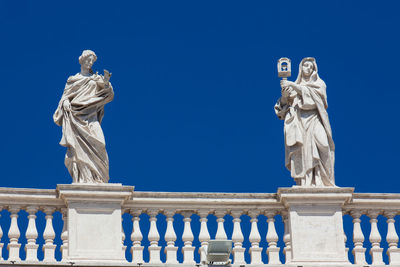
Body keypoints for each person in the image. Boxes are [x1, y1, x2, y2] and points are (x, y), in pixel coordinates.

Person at [53, 50, 114, 183]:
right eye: (88, 59)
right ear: (82, 60)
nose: (90, 62)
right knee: (78, 149)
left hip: (91, 116)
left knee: (100, 143)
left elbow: (108, 93)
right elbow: (64, 97)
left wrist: (106, 82)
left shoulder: (95, 78)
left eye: (92, 61)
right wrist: (66, 102)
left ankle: (98, 177)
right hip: (76, 117)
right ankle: (84, 178)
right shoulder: (73, 80)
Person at [274, 57, 335, 187]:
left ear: (314, 69)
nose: (307, 68)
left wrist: (293, 86)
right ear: (300, 68)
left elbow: (317, 99)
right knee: (303, 150)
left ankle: (323, 180)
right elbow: (282, 109)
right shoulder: (294, 87)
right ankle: (306, 181)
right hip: (300, 122)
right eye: (304, 66)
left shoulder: (319, 84)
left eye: (310, 66)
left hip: (315, 119)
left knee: (323, 145)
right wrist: (285, 97)